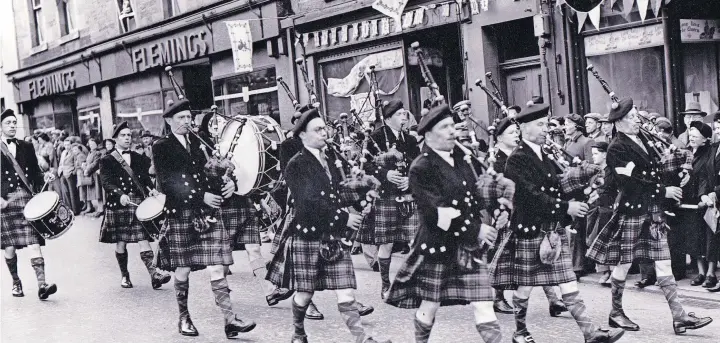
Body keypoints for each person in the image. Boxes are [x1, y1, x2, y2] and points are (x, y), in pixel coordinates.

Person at [496, 103, 623, 343]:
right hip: (529, 230)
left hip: (551, 230)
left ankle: (590, 333)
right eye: (540, 125)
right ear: (523, 127)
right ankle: (520, 332)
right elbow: (531, 195)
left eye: (546, 124)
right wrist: (567, 207)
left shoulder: (544, 155)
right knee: (524, 286)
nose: (546, 129)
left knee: (568, 282)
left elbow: (557, 186)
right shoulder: (516, 159)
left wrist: (583, 191)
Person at [586, 98, 713, 335]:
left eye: (636, 116)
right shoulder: (616, 148)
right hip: (632, 210)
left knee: (664, 262)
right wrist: (663, 190)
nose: (638, 120)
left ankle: (679, 316)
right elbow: (629, 182)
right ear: (620, 122)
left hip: (652, 211)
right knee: (624, 264)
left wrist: (680, 173)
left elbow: (660, 165)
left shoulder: (642, 138)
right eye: (633, 117)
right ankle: (615, 312)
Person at [384, 104, 505, 342]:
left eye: (452, 125)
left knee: (483, 302)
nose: (452, 131)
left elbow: (475, 195)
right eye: (445, 127)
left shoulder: (462, 160)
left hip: (468, 247)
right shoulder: (421, 167)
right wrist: (476, 229)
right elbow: (436, 213)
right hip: (438, 245)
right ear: (428, 135)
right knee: (430, 305)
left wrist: (497, 206)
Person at [282, 108, 389, 343]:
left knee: (346, 292)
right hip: (309, 236)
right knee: (304, 293)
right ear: (302, 135)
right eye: (318, 130)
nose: (324, 133)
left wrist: (362, 200)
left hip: (333, 237)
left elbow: (339, 192)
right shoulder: (296, 165)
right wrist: (343, 219)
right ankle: (298, 333)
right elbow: (309, 203)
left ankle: (362, 339)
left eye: (324, 128)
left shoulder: (329, 159)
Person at [153, 99, 255, 338]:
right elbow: (168, 183)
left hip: (207, 214)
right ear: (169, 121)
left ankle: (230, 320)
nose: (187, 122)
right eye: (181, 118)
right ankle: (184, 317)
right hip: (182, 213)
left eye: (189, 117)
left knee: (218, 265)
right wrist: (201, 196)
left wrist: (229, 183)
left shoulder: (200, 143)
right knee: (184, 268)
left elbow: (212, 172)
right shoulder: (162, 147)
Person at [490, 117, 568, 317]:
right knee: (506, 262)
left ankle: (553, 300)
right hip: (508, 214)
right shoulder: (496, 160)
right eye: (510, 133)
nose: (515, 135)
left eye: (516, 132)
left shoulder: (529, 155)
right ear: (498, 138)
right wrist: (500, 212)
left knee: (539, 259)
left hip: (530, 213)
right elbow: (492, 190)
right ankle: (498, 297)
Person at [358, 100, 420, 300]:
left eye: (405, 113)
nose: (405, 117)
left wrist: (410, 178)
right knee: (387, 243)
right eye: (400, 114)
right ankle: (386, 285)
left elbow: (418, 163)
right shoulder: (376, 136)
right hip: (386, 195)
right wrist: (385, 174)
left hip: (407, 194)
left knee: (415, 240)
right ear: (388, 118)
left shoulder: (409, 140)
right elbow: (365, 165)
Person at [98, 122, 171, 290]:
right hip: (118, 204)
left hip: (137, 202)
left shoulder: (139, 158)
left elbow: (144, 179)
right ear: (115, 139)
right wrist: (120, 194)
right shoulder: (107, 160)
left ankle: (154, 274)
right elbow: (106, 182)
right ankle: (125, 276)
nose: (126, 138)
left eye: (129, 135)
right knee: (121, 242)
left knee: (143, 239)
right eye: (123, 135)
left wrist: (151, 190)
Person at [1, 109, 58, 299]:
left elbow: (34, 172)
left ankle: (42, 285)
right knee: (9, 246)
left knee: (34, 242)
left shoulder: (26, 146)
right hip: (6, 202)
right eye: (8, 122)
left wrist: (45, 177)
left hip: (26, 199)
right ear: (1, 126)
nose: (12, 126)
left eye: (13, 122)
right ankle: (16, 282)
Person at [673, 121, 717, 288]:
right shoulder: (686, 153)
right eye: (690, 135)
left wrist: (703, 196)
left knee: (709, 237)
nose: (691, 138)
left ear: (705, 139)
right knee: (694, 236)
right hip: (689, 201)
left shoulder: (710, 153)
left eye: (695, 136)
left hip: (704, 200)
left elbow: (706, 176)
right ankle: (700, 272)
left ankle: (711, 272)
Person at [564, 113, 596, 279]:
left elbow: (592, 167)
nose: (565, 126)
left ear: (576, 126)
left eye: (568, 124)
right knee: (574, 227)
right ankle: (577, 263)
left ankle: (579, 266)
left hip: (582, 190)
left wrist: (589, 189)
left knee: (578, 228)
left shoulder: (586, 142)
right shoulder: (568, 142)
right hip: (571, 189)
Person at [585, 142, 615, 286]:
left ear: (604, 154)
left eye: (596, 153)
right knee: (595, 240)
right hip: (596, 210)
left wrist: (596, 193)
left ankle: (613, 272)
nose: (593, 156)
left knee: (609, 242)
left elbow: (610, 189)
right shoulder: (596, 171)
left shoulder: (611, 170)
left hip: (608, 210)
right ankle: (604, 271)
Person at [58, 136, 81, 215]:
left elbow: (76, 163)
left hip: (70, 173)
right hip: (62, 173)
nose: (66, 146)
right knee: (65, 192)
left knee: (72, 192)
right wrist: (59, 171)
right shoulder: (63, 152)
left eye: (68, 145)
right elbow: (61, 163)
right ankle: (69, 209)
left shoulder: (73, 152)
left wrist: (73, 172)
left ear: (71, 145)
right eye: (65, 145)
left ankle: (75, 210)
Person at [82, 138, 104, 217]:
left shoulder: (97, 153)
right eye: (90, 144)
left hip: (95, 174)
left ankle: (101, 209)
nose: (91, 146)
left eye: (93, 144)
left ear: (96, 144)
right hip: (91, 174)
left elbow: (95, 163)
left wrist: (87, 169)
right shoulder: (90, 152)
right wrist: (84, 166)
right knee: (95, 192)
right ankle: (99, 208)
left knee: (98, 192)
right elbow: (88, 162)